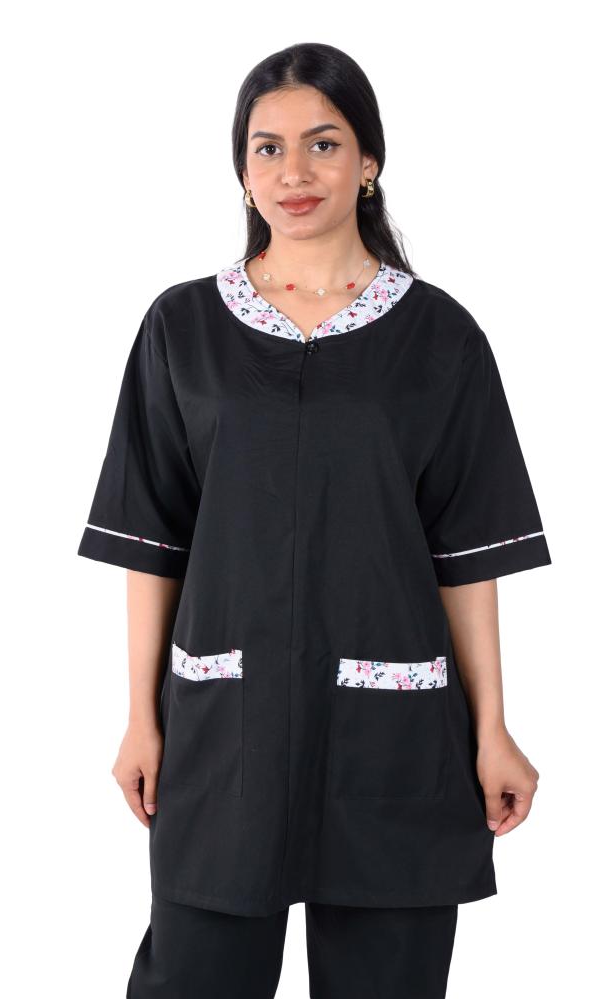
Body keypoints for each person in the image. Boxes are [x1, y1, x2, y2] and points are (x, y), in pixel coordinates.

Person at [77, 42, 552, 999]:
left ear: (368, 161)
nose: (293, 172)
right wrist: (139, 718)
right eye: (268, 148)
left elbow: (465, 556)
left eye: (323, 144)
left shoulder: (440, 336)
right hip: (225, 725)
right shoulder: (181, 328)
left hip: (393, 728)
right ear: (242, 170)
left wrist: (492, 726)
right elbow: (154, 542)